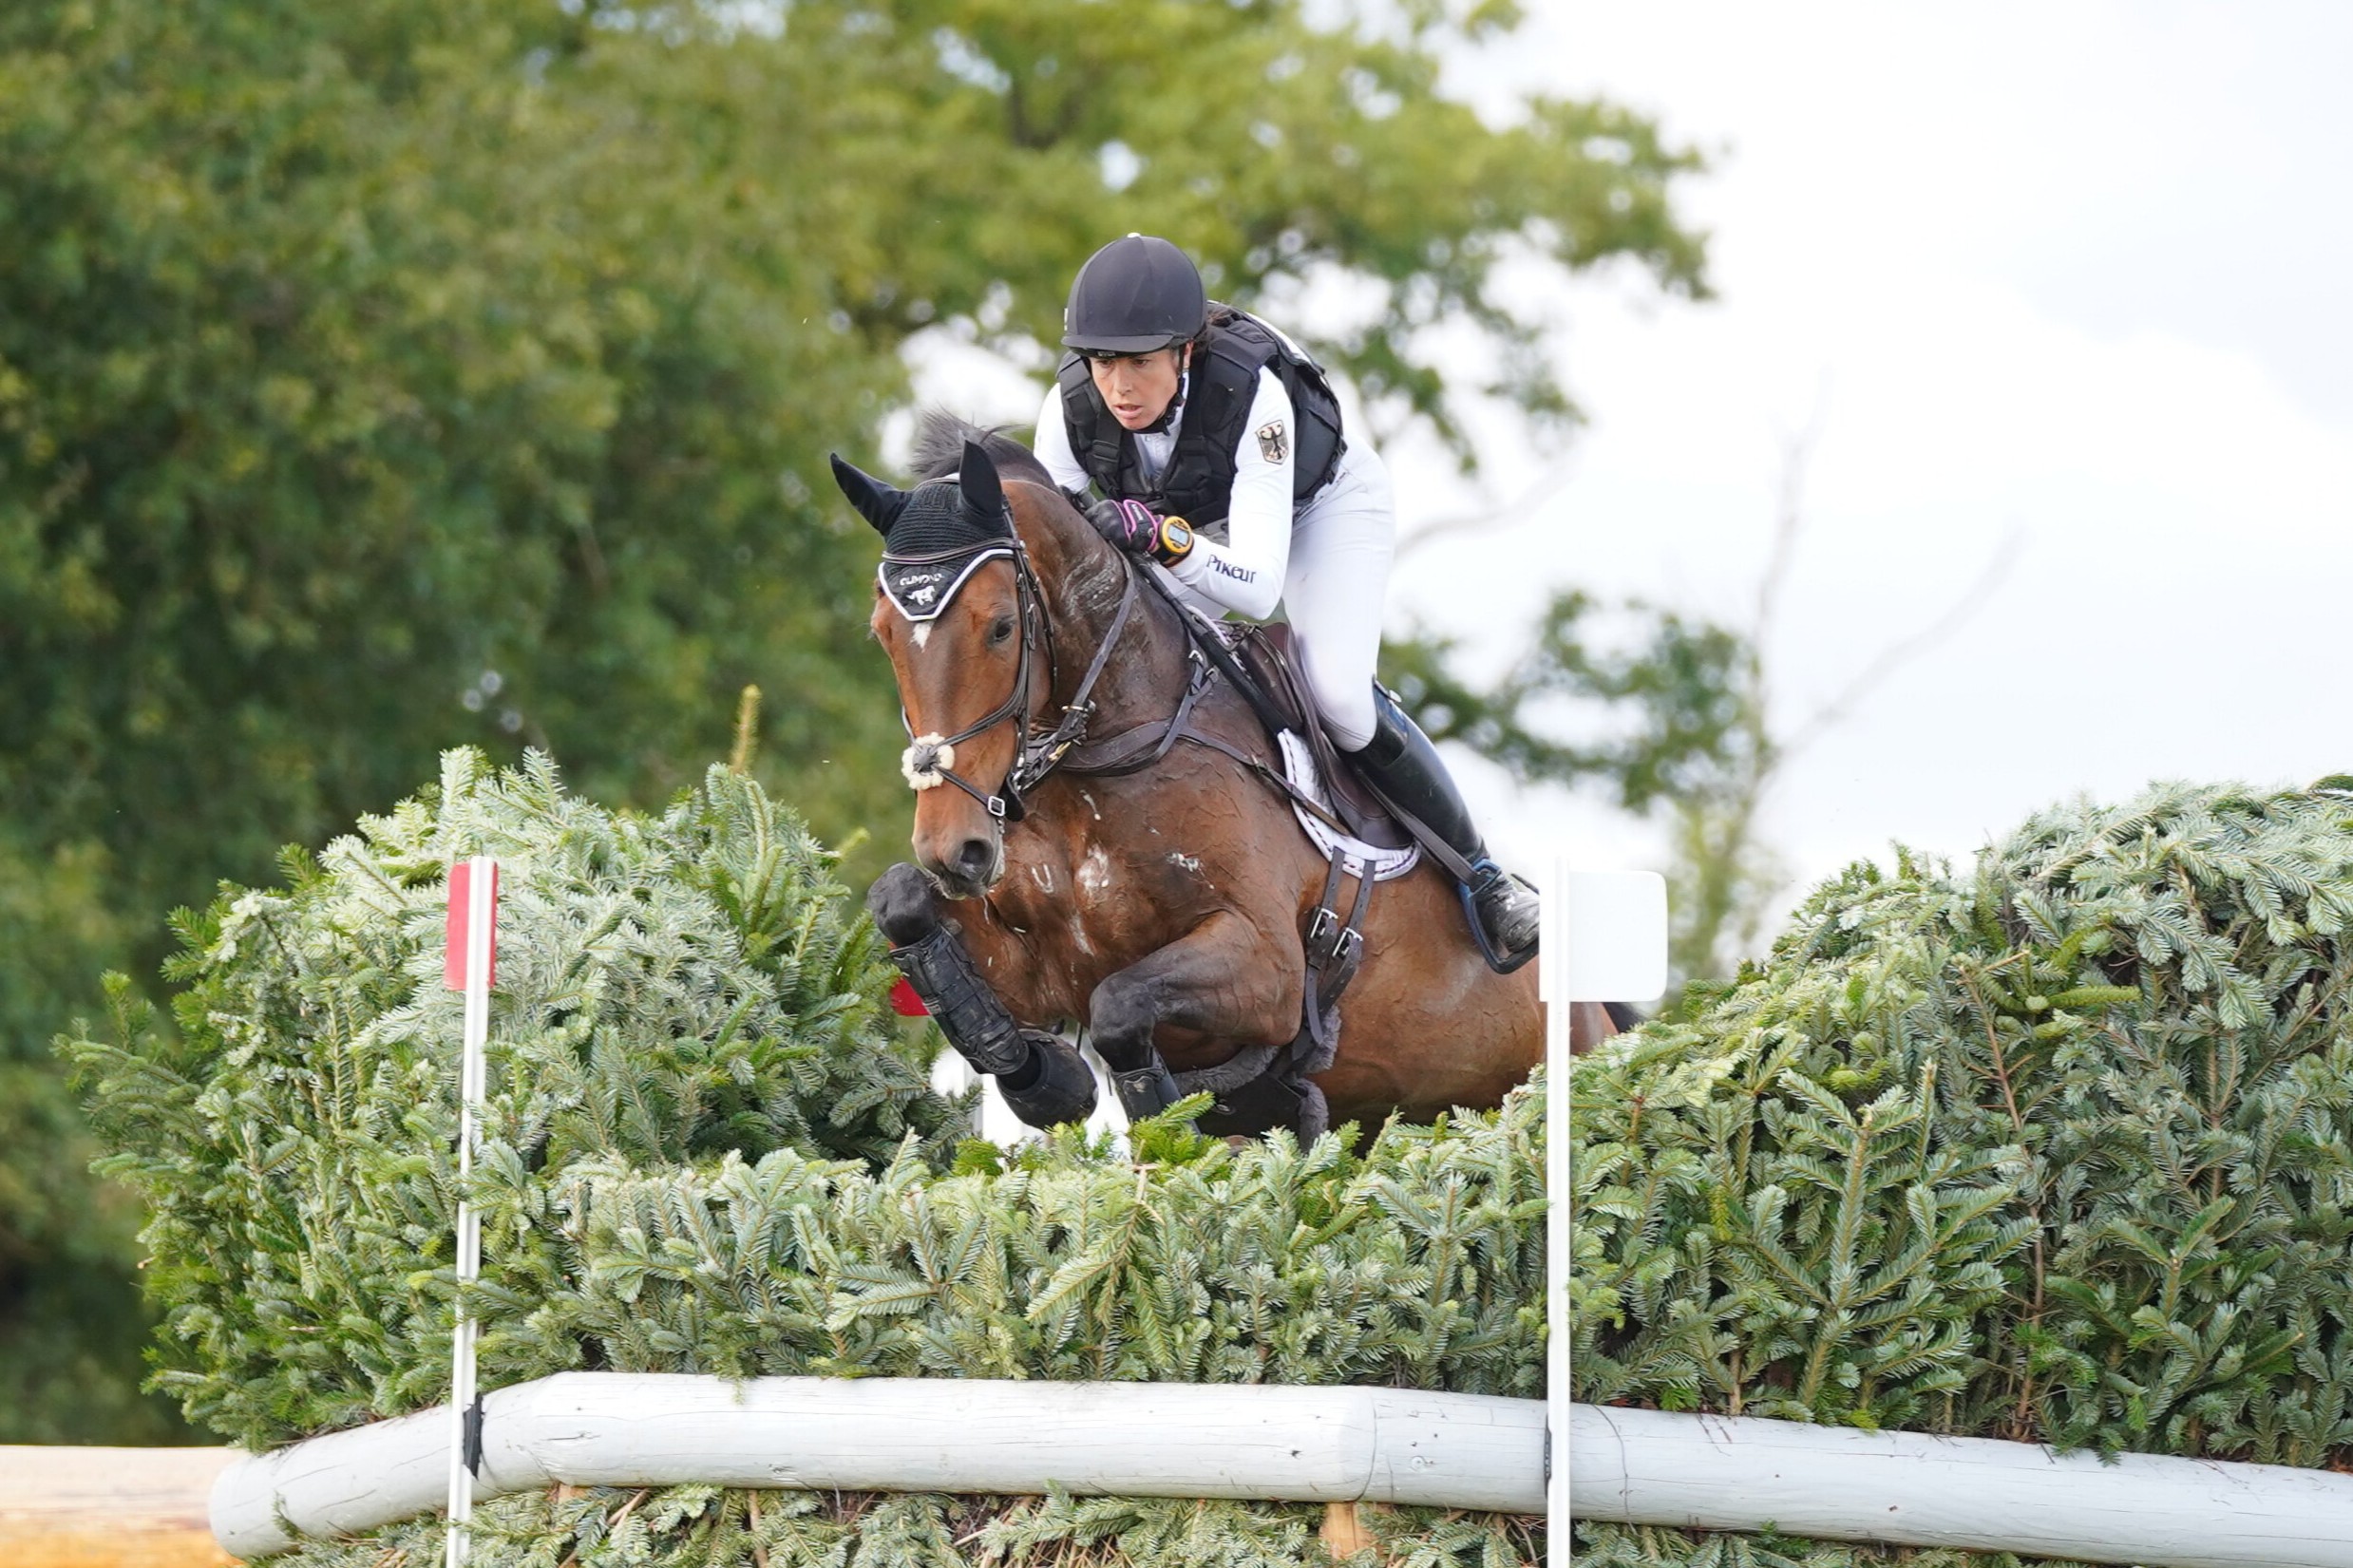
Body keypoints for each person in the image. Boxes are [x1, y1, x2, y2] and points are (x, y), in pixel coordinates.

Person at [1033, 233, 1540, 969]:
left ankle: (1486, 881)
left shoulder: (1252, 396)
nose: (1119, 387)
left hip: (1317, 513)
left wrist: (1162, 539)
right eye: (1103, 361)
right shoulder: (1069, 408)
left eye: (1140, 362)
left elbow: (1257, 586)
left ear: (1185, 353)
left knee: (1334, 694)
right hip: (1197, 530)